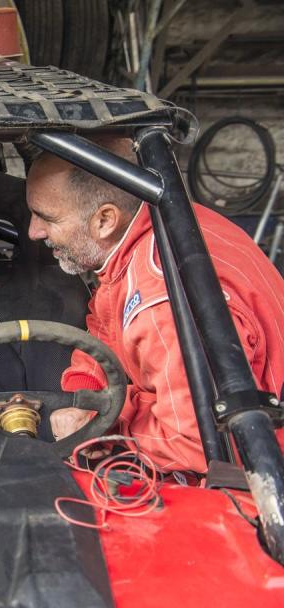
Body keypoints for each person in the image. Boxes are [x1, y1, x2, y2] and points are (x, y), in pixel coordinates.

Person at [25, 136, 284, 473]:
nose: (33, 231)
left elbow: (195, 443)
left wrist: (106, 426)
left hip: (247, 478)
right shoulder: (165, 226)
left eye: (47, 218)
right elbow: (104, 323)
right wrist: (83, 397)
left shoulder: (160, 305)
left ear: (105, 220)